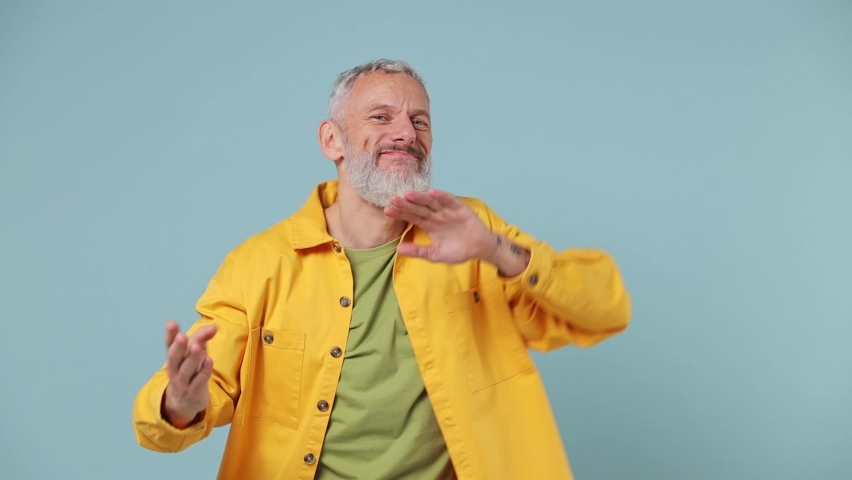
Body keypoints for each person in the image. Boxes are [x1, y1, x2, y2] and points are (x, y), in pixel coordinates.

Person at [132, 59, 631, 480]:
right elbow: (169, 419)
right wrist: (180, 399)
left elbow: (605, 309)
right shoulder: (259, 264)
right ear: (333, 140)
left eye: (420, 120)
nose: (405, 134)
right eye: (380, 116)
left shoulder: (473, 232)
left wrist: (499, 252)